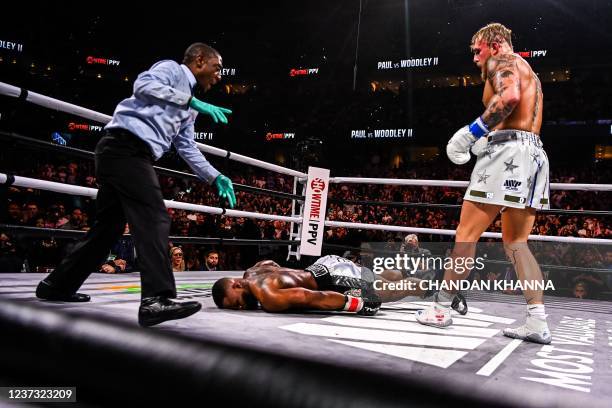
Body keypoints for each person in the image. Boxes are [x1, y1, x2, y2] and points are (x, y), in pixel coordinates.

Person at [35, 42, 236, 327]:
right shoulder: (172, 70)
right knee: (153, 216)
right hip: (124, 147)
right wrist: (189, 101)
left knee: (108, 229)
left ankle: (56, 286)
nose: (219, 77)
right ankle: (157, 299)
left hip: (126, 153)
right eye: (217, 69)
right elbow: (143, 85)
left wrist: (215, 176)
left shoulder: (190, 105)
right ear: (199, 60)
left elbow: (186, 146)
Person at [418, 23, 552, 344]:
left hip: (507, 153)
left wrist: (472, 133)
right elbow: (518, 111)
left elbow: (508, 97)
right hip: (534, 154)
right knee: (517, 243)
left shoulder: (501, 61)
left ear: (493, 44)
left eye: (477, 50)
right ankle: (537, 321)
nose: (475, 57)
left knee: (467, 233)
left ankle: (441, 308)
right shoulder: (529, 70)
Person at [212, 255, 428, 314]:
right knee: (375, 278)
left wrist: (357, 305)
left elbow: (313, 297)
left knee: (384, 293)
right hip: (324, 263)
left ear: (236, 285)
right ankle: (410, 272)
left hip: (333, 278)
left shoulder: (268, 296)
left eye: (236, 302)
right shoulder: (254, 269)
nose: (241, 307)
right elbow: (277, 266)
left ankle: (435, 287)